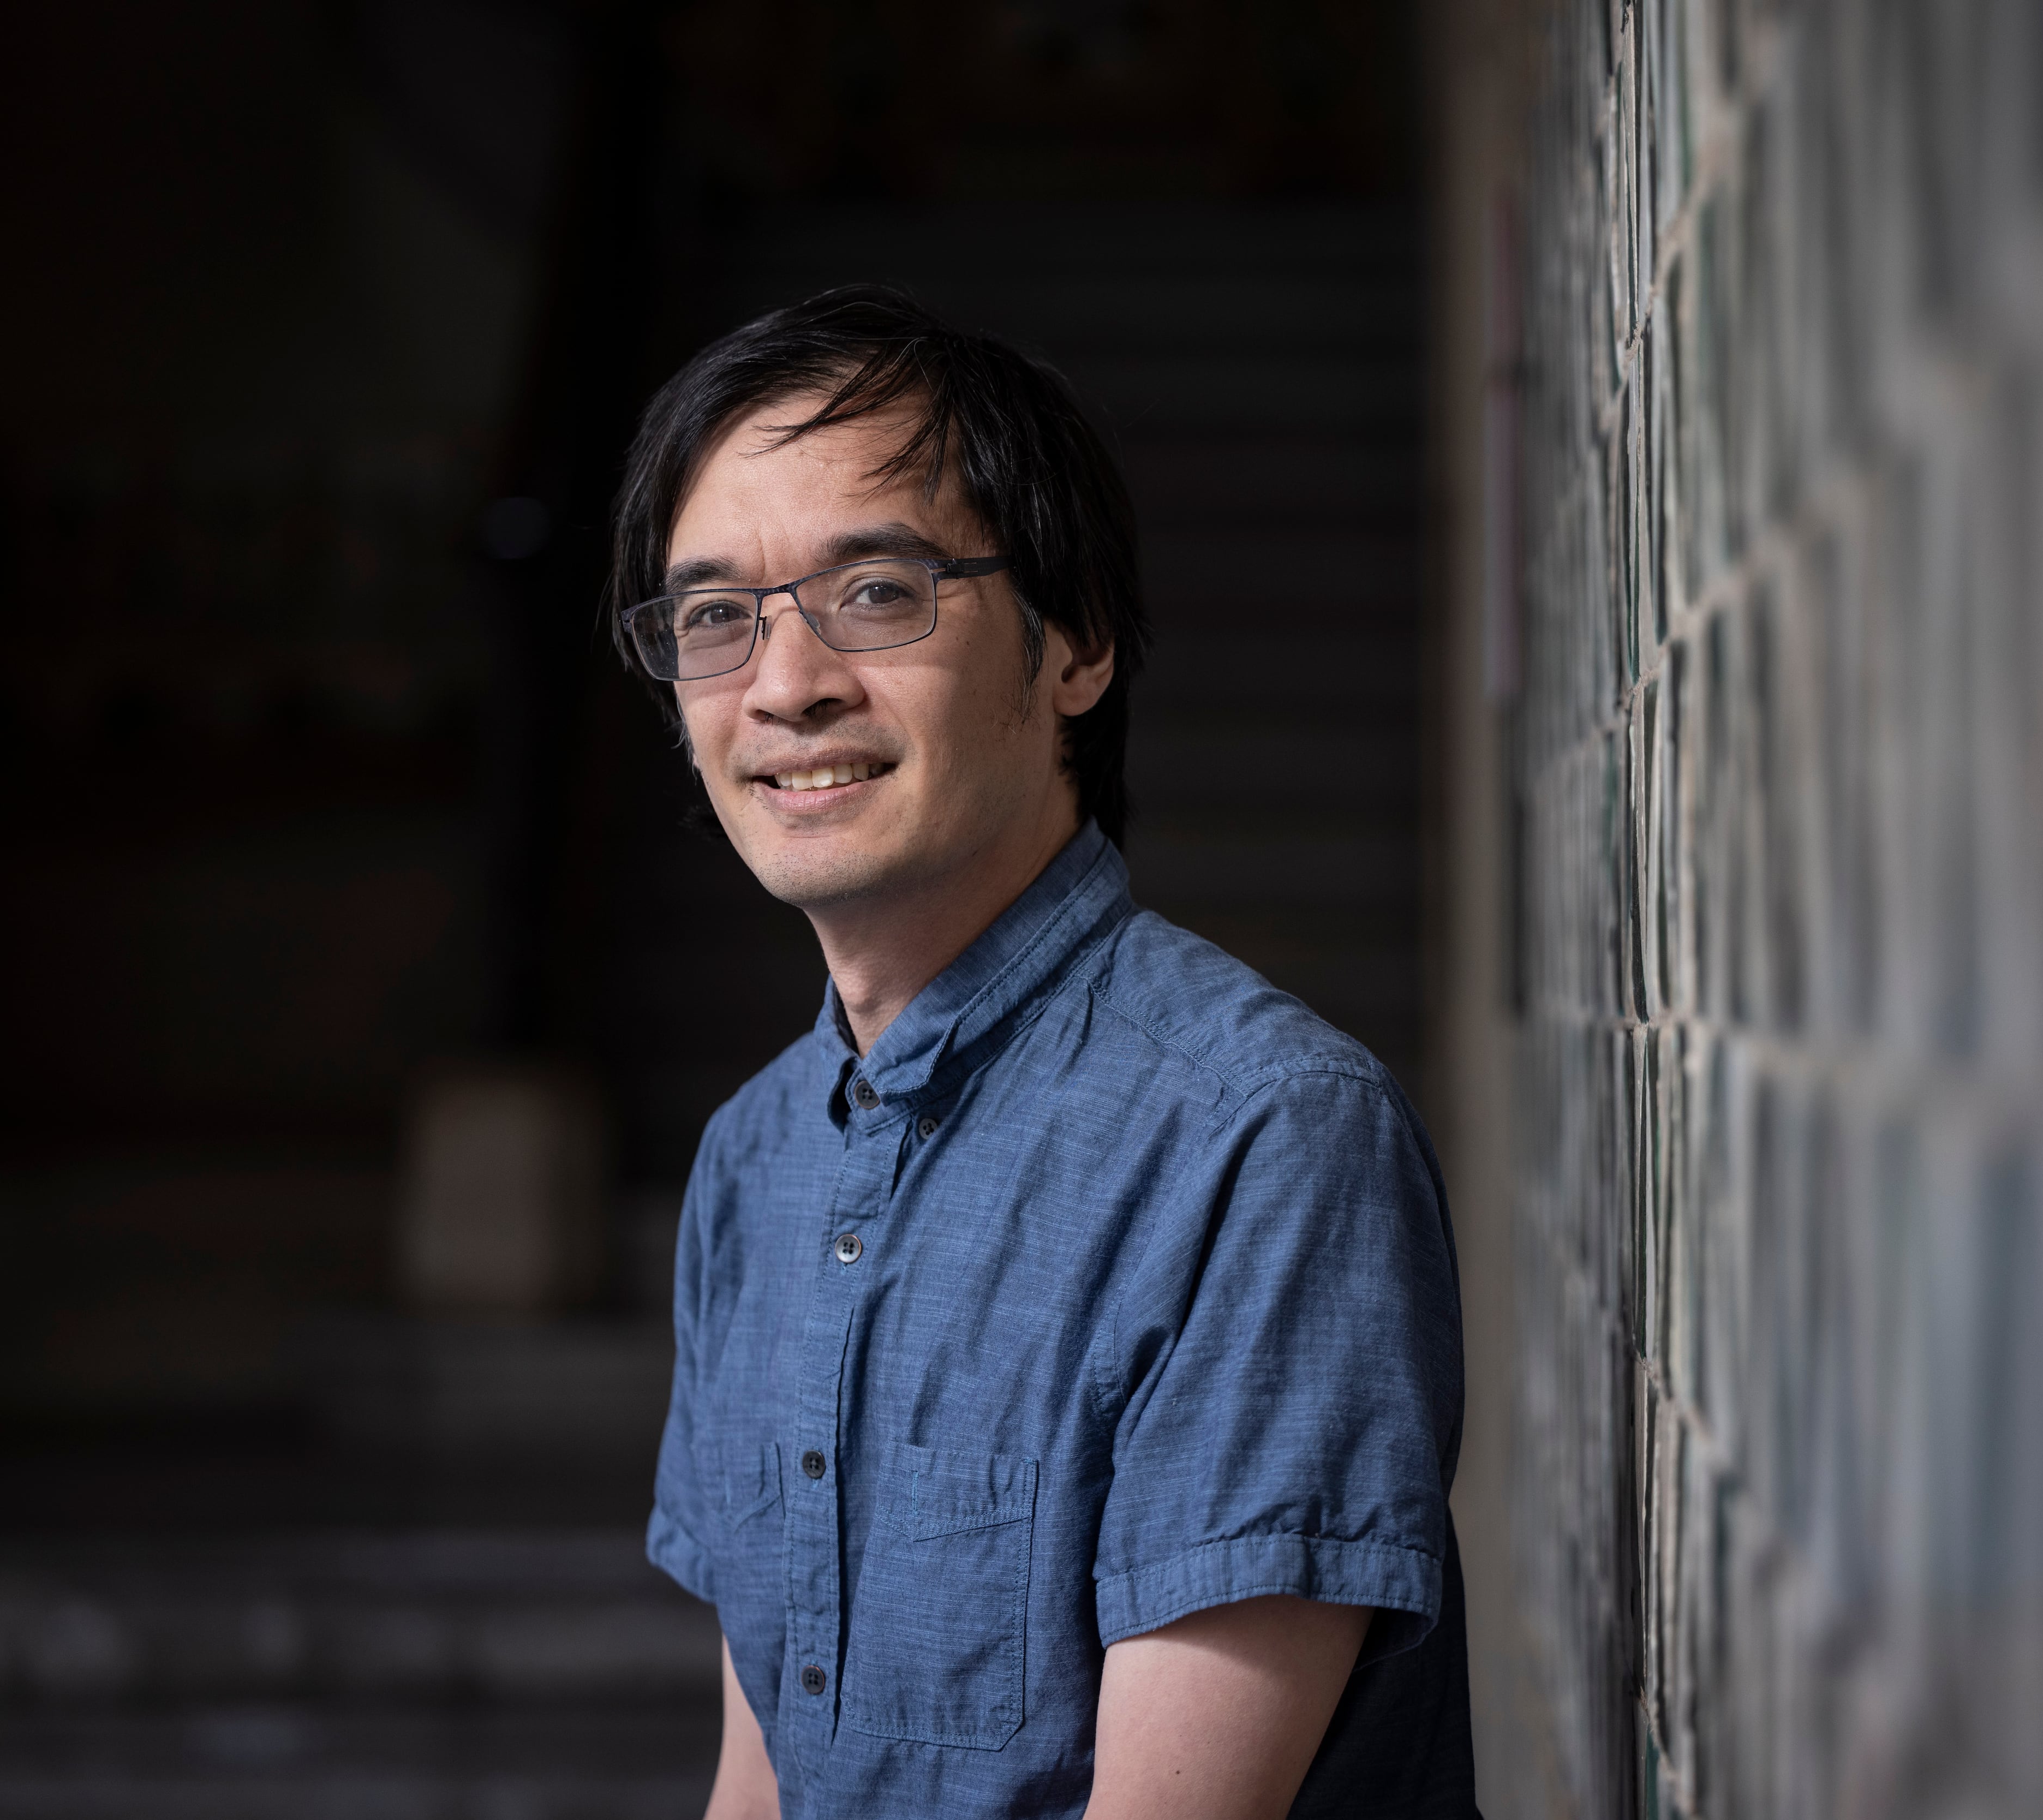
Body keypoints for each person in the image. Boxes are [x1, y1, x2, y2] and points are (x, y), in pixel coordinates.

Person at [614, 285, 1475, 1819]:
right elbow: (761, 1784)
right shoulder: (754, 1161)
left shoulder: (1261, 1140)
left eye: (876, 592)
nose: (785, 683)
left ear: (1074, 646)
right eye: (713, 617)